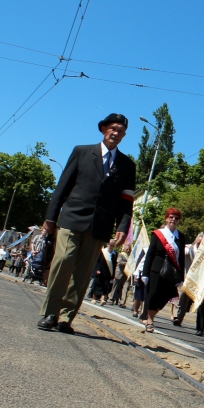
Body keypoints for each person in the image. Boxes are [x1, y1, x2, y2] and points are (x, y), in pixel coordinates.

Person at [37, 113, 136, 334]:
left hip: (99, 226)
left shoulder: (127, 165)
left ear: (124, 136)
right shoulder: (81, 152)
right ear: (103, 130)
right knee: (63, 261)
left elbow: (126, 202)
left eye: (120, 131)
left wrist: (122, 227)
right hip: (71, 218)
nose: (115, 133)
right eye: (112, 128)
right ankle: (50, 313)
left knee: (82, 274)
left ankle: (65, 318)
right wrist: (50, 218)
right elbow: (62, 186)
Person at [142, 208, 186, 333]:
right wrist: (145, 273)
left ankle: (151, 315)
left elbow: (181, 257)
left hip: (171, 272)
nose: (173, 220)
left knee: (167, 296)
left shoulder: (181, 237)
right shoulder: (158, 234)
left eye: (176, 218)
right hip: (156, 269)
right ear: (166, 218)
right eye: (171, 217)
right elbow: (150, 254)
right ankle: (150, 321)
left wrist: (181, 278)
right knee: (153, 294)